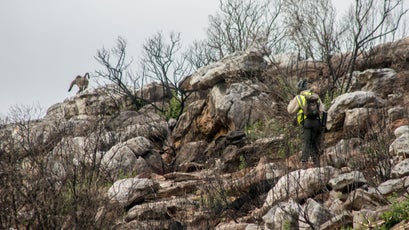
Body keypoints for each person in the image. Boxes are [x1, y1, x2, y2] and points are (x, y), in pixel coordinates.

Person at [287, 79, 326, 168]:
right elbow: (323, 109)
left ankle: (304, 164)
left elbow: (290, 110)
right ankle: (317, 163)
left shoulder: (299, 97)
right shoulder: (315, 96)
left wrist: (291, 101)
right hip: (317, 123)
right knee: (314, 143)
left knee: (306, 143)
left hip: (307, 123)